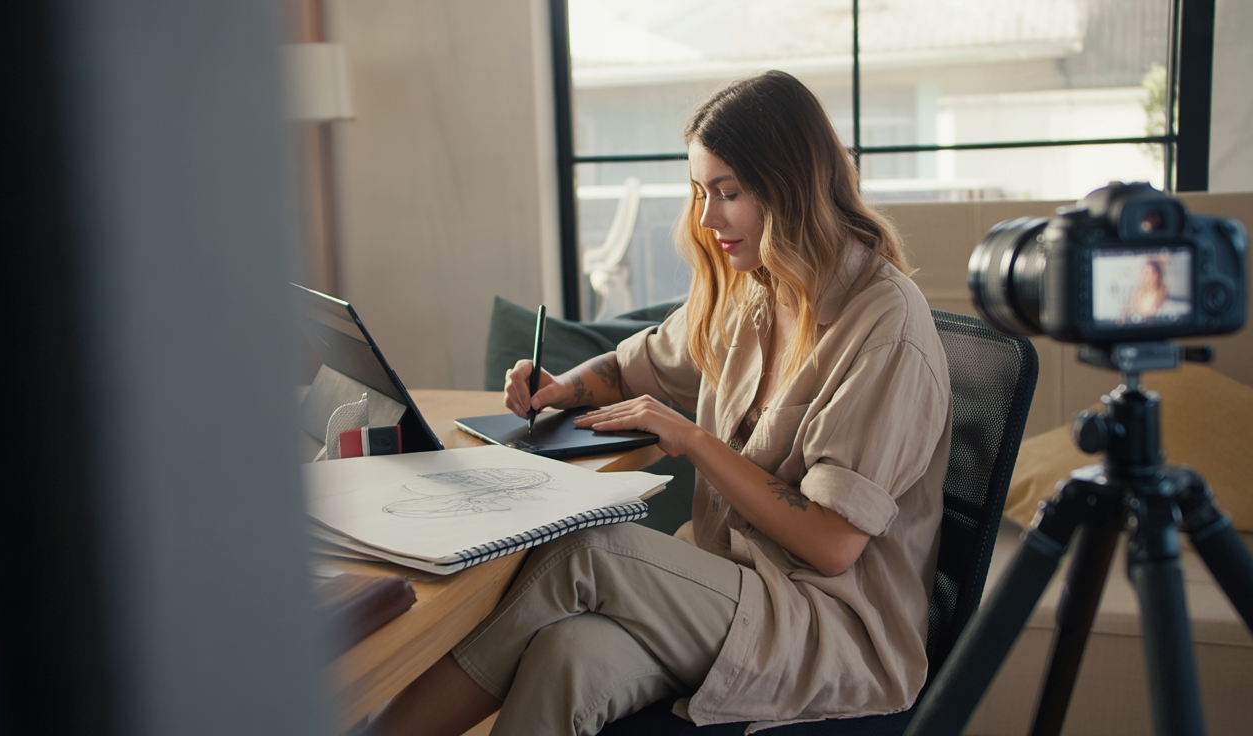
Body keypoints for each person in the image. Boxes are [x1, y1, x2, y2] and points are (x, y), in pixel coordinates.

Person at [369, 70, 951, 735]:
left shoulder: (885, 324)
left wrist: (696, 440)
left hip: (827, 631)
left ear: (789, 185)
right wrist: (561, 389)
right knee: (568, 655)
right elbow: (629, 366)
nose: (707, 217)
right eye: (702, 191)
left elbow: (833, 542)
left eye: (728, 192)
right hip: (726, 590)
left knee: (587, 551)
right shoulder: (756, 291)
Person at [1119, 258, 1187, 324]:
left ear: (1158, 275)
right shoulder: (1136, 297)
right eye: (1145, 273)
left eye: (1153, 272)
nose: (1149, 277)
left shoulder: (1164, 298)